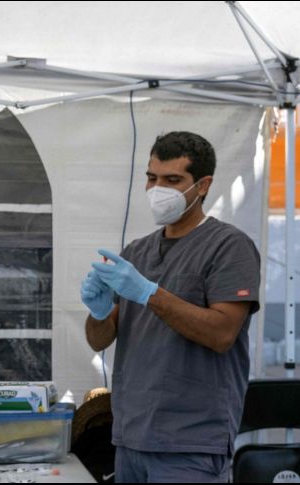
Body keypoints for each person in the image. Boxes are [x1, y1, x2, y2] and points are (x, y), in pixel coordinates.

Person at [80, 132, 260, 483]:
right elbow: (98, 340)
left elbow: (222, 334)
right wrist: (99, 312)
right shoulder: (136, 252)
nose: (157, 189)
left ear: (203, 185)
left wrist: (149, 293)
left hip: (190, 444)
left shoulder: (229, 246)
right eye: (152, 177)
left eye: (173, 180)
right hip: (130, 437)